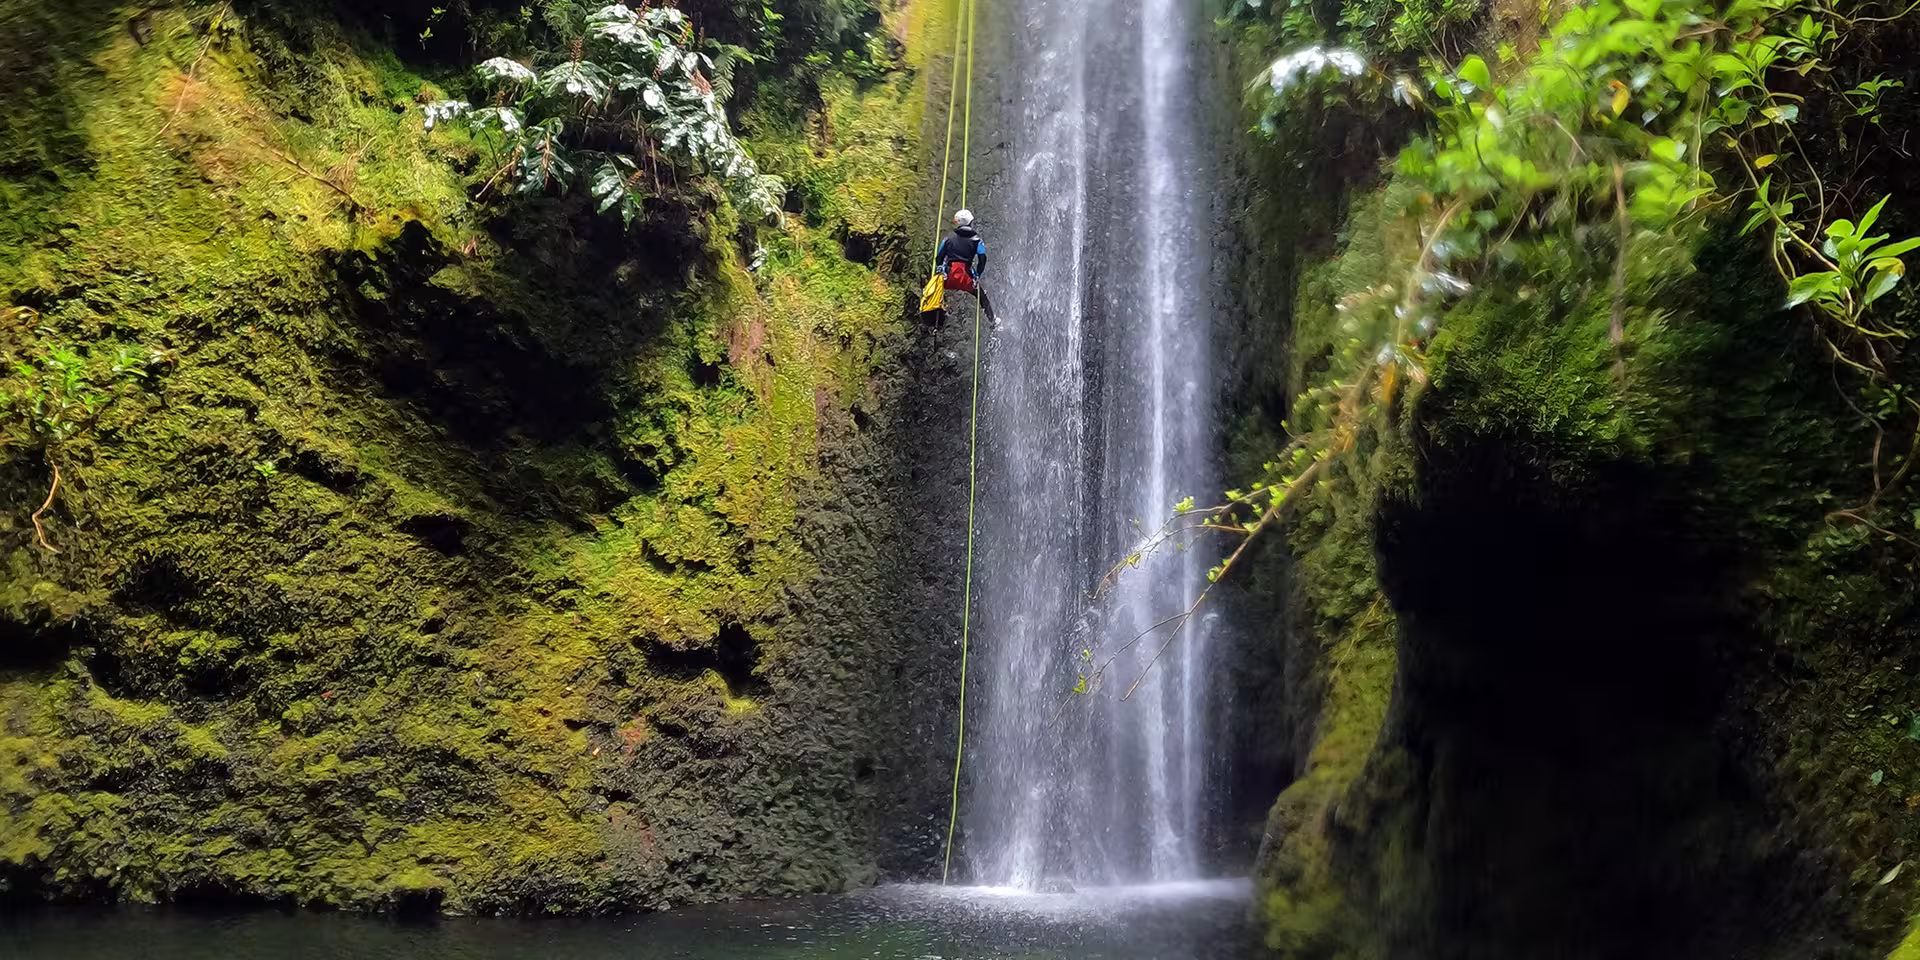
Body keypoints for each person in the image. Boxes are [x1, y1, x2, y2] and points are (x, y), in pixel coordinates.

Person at [937, 209, 987, 295]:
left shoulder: (948, 239)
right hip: (966, 279)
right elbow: (982, 259)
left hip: (948, 278)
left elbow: (939, 259)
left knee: (933, 290)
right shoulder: (977, 241)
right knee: (982, 297)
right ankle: (986, 308)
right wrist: (977, 274)